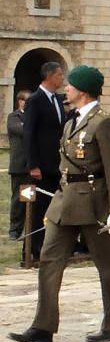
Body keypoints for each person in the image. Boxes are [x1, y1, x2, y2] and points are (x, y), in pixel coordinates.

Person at [8, 65, 110, 342]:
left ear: (83, 91)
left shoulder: (103, 122)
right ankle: (43, 327)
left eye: (71, 86)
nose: (67, 89)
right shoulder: (72, 121)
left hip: (94, 204)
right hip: (65, 201)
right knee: (49, 260)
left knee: (107, 264)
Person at [22, 61, 66, 262]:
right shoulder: (35, 100)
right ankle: (31, 249)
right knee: (37, 209)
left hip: (56, 163)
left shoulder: (57, 99)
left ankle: (50, 247)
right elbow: (29, 133)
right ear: (49, 76)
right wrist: (33, 164)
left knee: (54, 207)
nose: (62, 79)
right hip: (40, 165)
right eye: (59, 75)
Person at [7, 90, 30, 240]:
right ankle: (15, 230)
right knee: (18, 200)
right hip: (19, 166)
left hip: (32, 165)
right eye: (25, 100)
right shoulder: (13, 117)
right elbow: (22, 130)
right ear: (19, 101)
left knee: (31, 198)